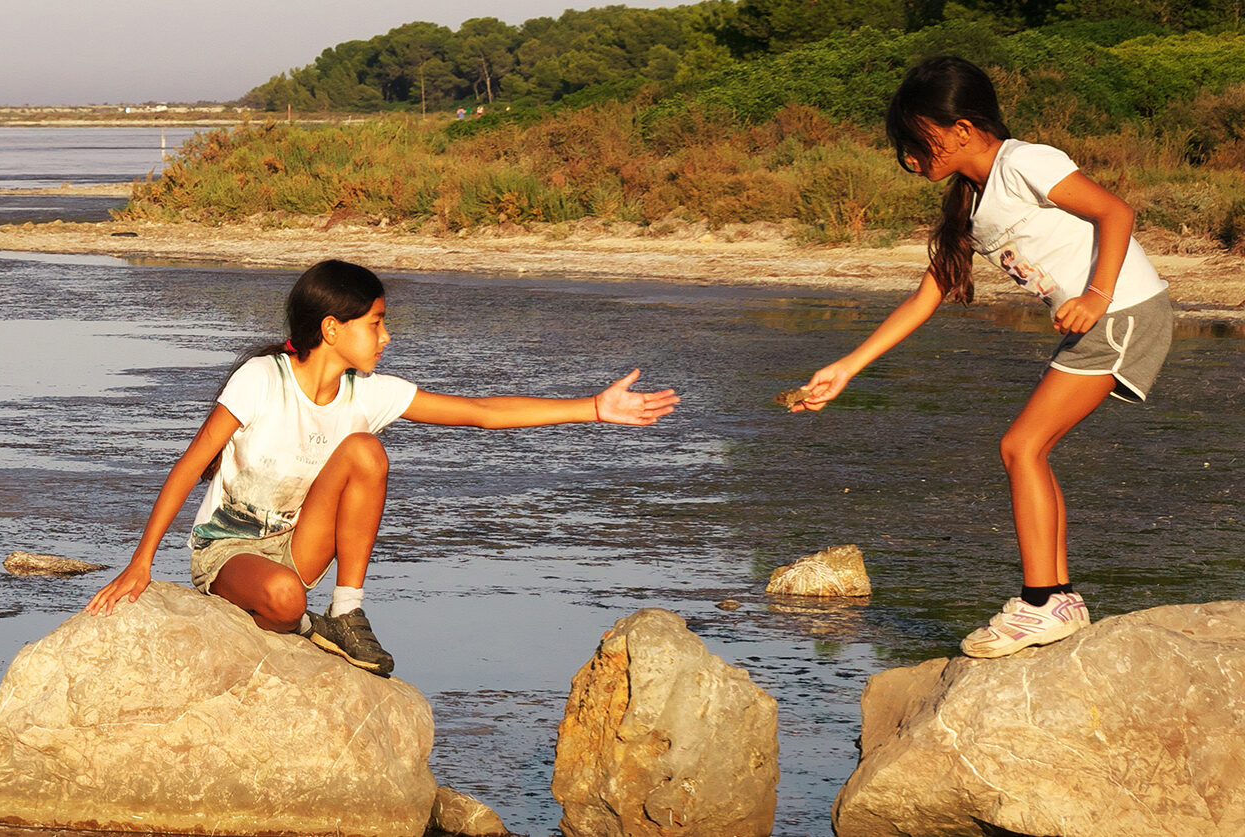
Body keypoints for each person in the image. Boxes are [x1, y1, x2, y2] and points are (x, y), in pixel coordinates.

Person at [84, 259, 679, 676]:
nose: (385, 337)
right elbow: (190, 466)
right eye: (375, 325)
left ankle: (346, 612)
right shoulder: (261, 380)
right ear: (331, 328)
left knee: (364, 449)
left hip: (299, 544)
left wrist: (594, 410)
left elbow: (480, 413)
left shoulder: (365, 395)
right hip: (226, 553)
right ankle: (300, 622)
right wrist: (140, 564)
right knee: (285, 600)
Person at [791, 56, 1172, 658]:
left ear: (962, 130)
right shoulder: (970, 197)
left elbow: (1115, 212)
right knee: (1029, 449)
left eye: (916, 141)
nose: (909, 158)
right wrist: (846, 367)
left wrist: (1096, 296)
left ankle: (1043, 603)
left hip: (1122, 310)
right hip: (1103, 317)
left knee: (1021, 447)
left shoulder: (1025, 161)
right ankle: (1057, 601)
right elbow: (930, 294)